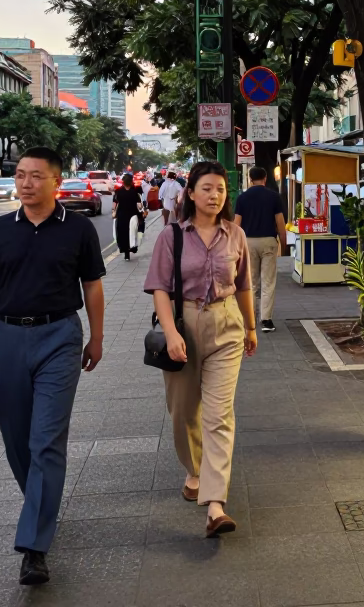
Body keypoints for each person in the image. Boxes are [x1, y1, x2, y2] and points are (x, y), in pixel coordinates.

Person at [0, 147, 106, 587]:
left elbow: (93, 288)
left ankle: (33, 547)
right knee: (15, 437)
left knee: (46, 439)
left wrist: (96, 338)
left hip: (60, 336)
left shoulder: (78, 229)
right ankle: (43, 501)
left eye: (35, 176)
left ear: (56, 181)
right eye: (20, 175)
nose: (25, 184)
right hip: (8, 338)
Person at [145, 161, 256, 537]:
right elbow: (160, 287)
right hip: (184, 324)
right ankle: (194, 470)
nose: (215, 195)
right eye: (207, 188)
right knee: (183, 412)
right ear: (190, 193)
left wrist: (251, 326)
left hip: (226, 325)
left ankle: (215, 504)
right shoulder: (172, 237)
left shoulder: (235, 235)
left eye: (221, 189)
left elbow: (243, 285)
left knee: (219, 414)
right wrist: (172, 332)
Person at [233, 166, 287, 333]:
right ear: (265, 178)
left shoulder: (242, 198)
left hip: (248, 242)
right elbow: (280, 222)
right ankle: (266, 320)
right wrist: (283, 244)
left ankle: (250, 319)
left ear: (250, 179)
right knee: (268, 281)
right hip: (268, 241)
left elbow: (237, 224)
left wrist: (235, 247)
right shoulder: (274, 197)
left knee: (251, 282)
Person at [112, 172, 146, 261]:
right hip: (132, 215)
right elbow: (139, 205)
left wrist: (113, 212)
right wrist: (142, 207)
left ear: (123, 182)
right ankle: (132, 247)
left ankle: (126, 252)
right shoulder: (135, 191)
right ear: (131, 181)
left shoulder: (118, 191)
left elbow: (115, 203)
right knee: (132, 232)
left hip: (122, 215)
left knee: (123, 234)